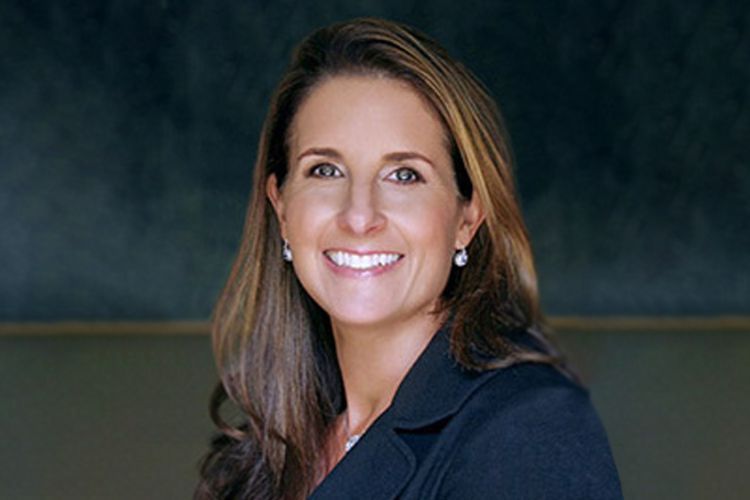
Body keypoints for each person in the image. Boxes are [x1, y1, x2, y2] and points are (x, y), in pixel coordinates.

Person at [195, 17, 622, 500]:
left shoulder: (530, 431)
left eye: (404, 176)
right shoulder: (260, 457)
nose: (360, 216)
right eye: (326, 170)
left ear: (468, 216)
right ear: (281, 208)